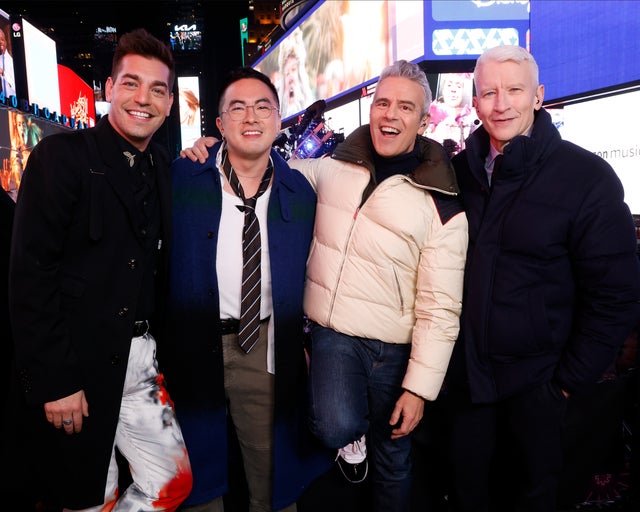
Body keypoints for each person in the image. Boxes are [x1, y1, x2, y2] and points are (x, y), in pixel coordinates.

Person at [183, 59, 469, 512]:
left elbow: (441, 306)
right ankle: (347, 445)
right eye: (383, 103)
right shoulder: (331, 170)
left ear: (423, 118)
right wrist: (210, 147)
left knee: (393, 455)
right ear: (370, 108)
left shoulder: (444, 204)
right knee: (335, 427)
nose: (391, 115)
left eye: (406, 107)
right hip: (334, 336)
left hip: (394, 348)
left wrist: (418, 388)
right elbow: (270, 166)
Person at [445, 44, 640, 512]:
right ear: (474, 103)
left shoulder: (586, 177)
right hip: (467, 386)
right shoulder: (456, 174)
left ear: (538, 96)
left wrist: (566, 383)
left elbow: (616, 296)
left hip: (540, 388)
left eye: (514, 90)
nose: (501, 103)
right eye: (488, 92)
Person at [6, 28, 193, 511]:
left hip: (142, 361)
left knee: (172, 484)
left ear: (170, 103)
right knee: (91, 495)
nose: (143, 99)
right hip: (77, 366)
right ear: (108, 90)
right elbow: (30, 275)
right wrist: (55, 380)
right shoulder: (59, 157)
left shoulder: (165, 167)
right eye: (130, 83)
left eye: (157, 89)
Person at [164, 66, 333, 512]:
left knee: (273, 475)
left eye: (262, 107)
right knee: (196, 478)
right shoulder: (183, 179)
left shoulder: (301, 192)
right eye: (236, 108)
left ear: (278, 120)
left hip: (263, 342)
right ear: (219, 125)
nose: (251, 117)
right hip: (194, 344)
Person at [426, 73, 478, 154]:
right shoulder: (430, 114)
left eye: (458, 86)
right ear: (443, 89)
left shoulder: (473, 115)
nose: (453, 90)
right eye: (449, 85)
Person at [0, 26, 16, 98]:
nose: (0, 42)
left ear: (6, 42)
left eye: (2, 39)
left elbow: (17, 87)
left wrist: (3, 73)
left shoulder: (11, 63)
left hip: (9, 105)